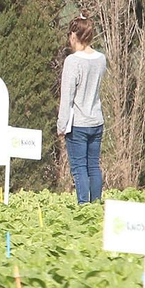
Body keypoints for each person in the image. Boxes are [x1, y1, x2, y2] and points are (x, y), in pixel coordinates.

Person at [57, 15, 107, 204]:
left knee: (79, 168)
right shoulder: (101, 59)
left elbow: (67, 97)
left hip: (78, 123)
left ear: (73, 36)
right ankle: (96, 204)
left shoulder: (73, 61)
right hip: (97, 120)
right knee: (93, 166)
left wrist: (61, 126)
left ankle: (83, 207)